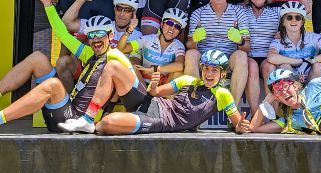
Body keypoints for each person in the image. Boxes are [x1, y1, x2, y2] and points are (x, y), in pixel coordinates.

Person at [0, 0, 145, 133]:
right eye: (92, 36)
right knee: (38, 58)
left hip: (75, 119)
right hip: (65, 110)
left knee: (53, 85)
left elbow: (132, 75)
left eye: (100, 35)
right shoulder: (89, 53)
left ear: (110, 36)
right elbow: (62, 33)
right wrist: (48, 5)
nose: (96, 40)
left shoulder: (115, 56)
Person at [93, 50, 251, 135]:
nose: (209, 74)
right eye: (206, 69)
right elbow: (154, 93)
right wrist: (153, 86)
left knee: (107, 123)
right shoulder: (188, 80)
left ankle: (96, 124)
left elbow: (237, 123)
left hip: (159, 120)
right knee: (113, 65)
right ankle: (88, 117)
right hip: (149, 103)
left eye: (214, 70)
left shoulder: (222, 93)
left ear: (222, 74)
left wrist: (241, 127)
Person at [185, 0, 254, 109]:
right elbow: (189, 46)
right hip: (205, 61)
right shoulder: (197, 13)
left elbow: (246, 47)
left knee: (241, 55)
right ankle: (194, 107)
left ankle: (232, 109)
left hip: (228, 62)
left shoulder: (239, 12)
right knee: (191, 54)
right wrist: (194, 39)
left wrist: (239, 41)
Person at [266, 1, 321, 89]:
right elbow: (271, 57)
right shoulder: (278, 41)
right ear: (283, 22)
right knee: (284, 66)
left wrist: (311, 60)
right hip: (290, 83)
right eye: (289, 17)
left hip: (311, 78)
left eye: (298, 17)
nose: (294, 20)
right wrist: (299, 61)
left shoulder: (313, 37)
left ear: (302, 22)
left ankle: (315, 100)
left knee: (319, 66)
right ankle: (294, 99)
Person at [242, 0, 280, 97]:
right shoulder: (239, 10)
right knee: (251, 66)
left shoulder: (276, 12)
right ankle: (254, 114)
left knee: (269, 67)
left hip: (267, 57)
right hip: (248, 56)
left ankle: (271, 115)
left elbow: (305, 9)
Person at [133, 8, 187, 88]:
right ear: (162, 24)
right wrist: (129, 31)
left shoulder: (178, 45)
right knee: (132, 66)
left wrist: (155, 69)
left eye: (177, 27)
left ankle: (162, 98)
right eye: (169, 23)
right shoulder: (148, 39)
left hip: (161, 86)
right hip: (143, 81)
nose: (172, 28)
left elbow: (180, 65)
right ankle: (143, 94)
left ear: (179, 32)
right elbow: (123, 48)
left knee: (179, 73)